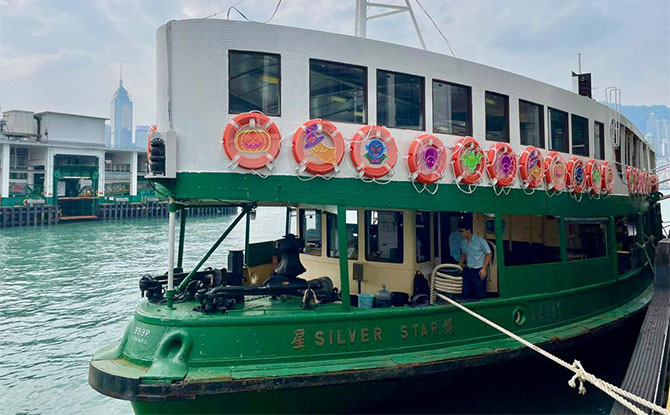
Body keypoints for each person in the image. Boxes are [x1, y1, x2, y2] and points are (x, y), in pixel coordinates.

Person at [457, 217, 492, 300]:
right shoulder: (463, 242)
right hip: (468, 269)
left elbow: (489, 254)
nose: (461, 233)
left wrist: (484, 268)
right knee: (465, 290)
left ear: (468, 230)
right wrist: (460, 264)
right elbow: (464, 254)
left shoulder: (480, 241)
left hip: (479, 270)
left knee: (480, 292)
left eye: (462, 231)